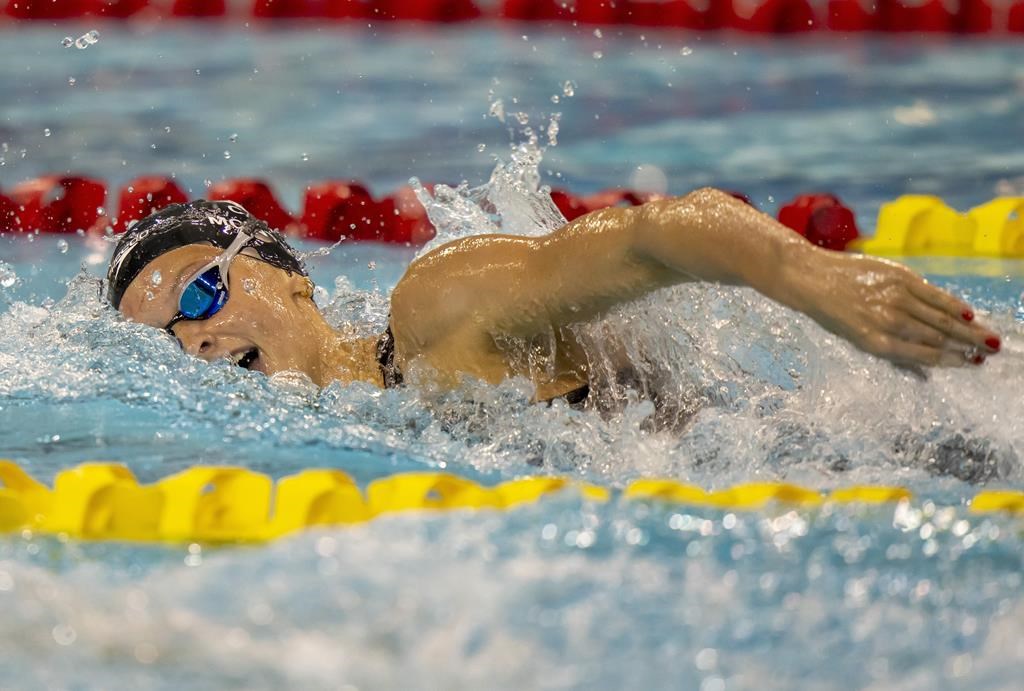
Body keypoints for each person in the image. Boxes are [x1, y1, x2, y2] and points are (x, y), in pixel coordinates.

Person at [106, 190, 1001, 404]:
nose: (199, 343)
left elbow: (656, 233)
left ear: (286, 271)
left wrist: (815, 276)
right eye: (170, 344)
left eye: (202, 295)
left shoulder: (436, 312)